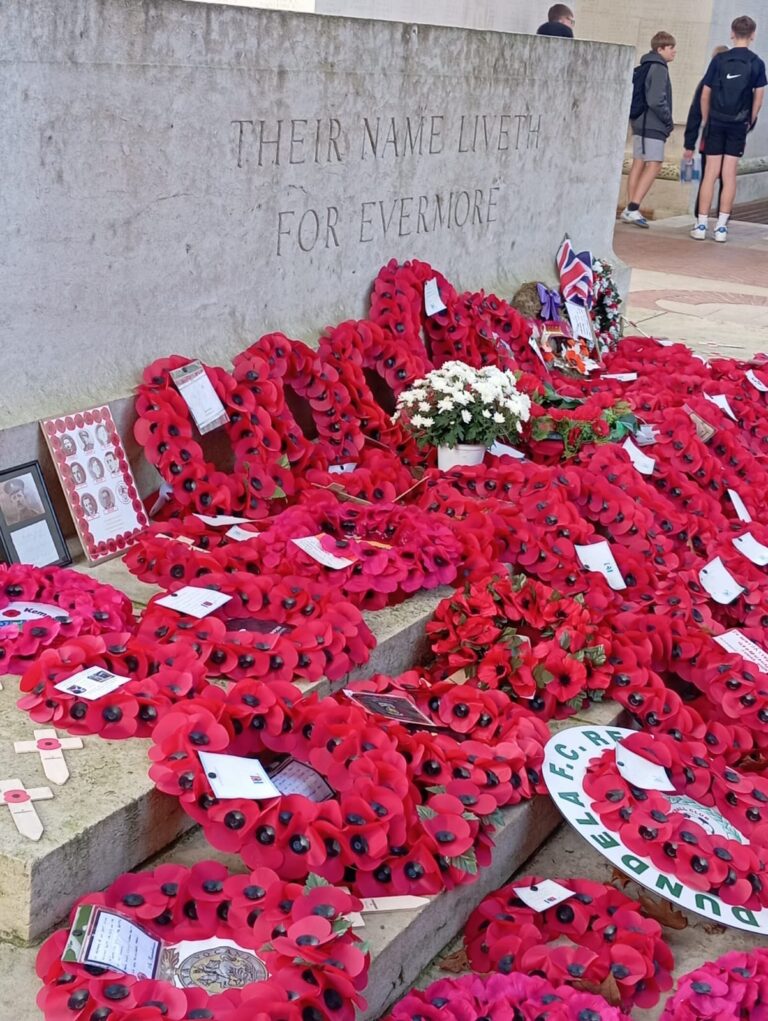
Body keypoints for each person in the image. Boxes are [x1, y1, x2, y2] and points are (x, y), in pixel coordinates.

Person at [691, 16, 766, 242]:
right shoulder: (756, 63)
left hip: (715, 121)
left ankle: (702, 224)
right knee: (729, 174)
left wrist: (707, 119)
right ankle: (722, 227)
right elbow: (759, 98)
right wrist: (749, 120)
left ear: (732, 33)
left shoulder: (720, 60)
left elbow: (705, 93)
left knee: (710, 173)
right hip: (738, 124)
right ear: (753, 35)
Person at [621, 31, 677, 228]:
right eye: (671, 47)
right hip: (652, 123)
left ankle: (630, 207)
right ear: (660, 48)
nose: (674, 51)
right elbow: (656, 99)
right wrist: (668, 120)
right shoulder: (660, 67)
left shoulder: (644, 66)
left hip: (639, 121)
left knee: (638, 163)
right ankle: (633, 208)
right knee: (654, 164)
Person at [683, 45, 730, 219]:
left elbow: (695, 112)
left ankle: (700, 215)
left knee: (707, 176)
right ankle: (724, 217)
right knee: (727, 177)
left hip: (710, 134)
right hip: (732, 136)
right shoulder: (737, 82)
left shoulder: (706, 83)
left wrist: (689, 143)